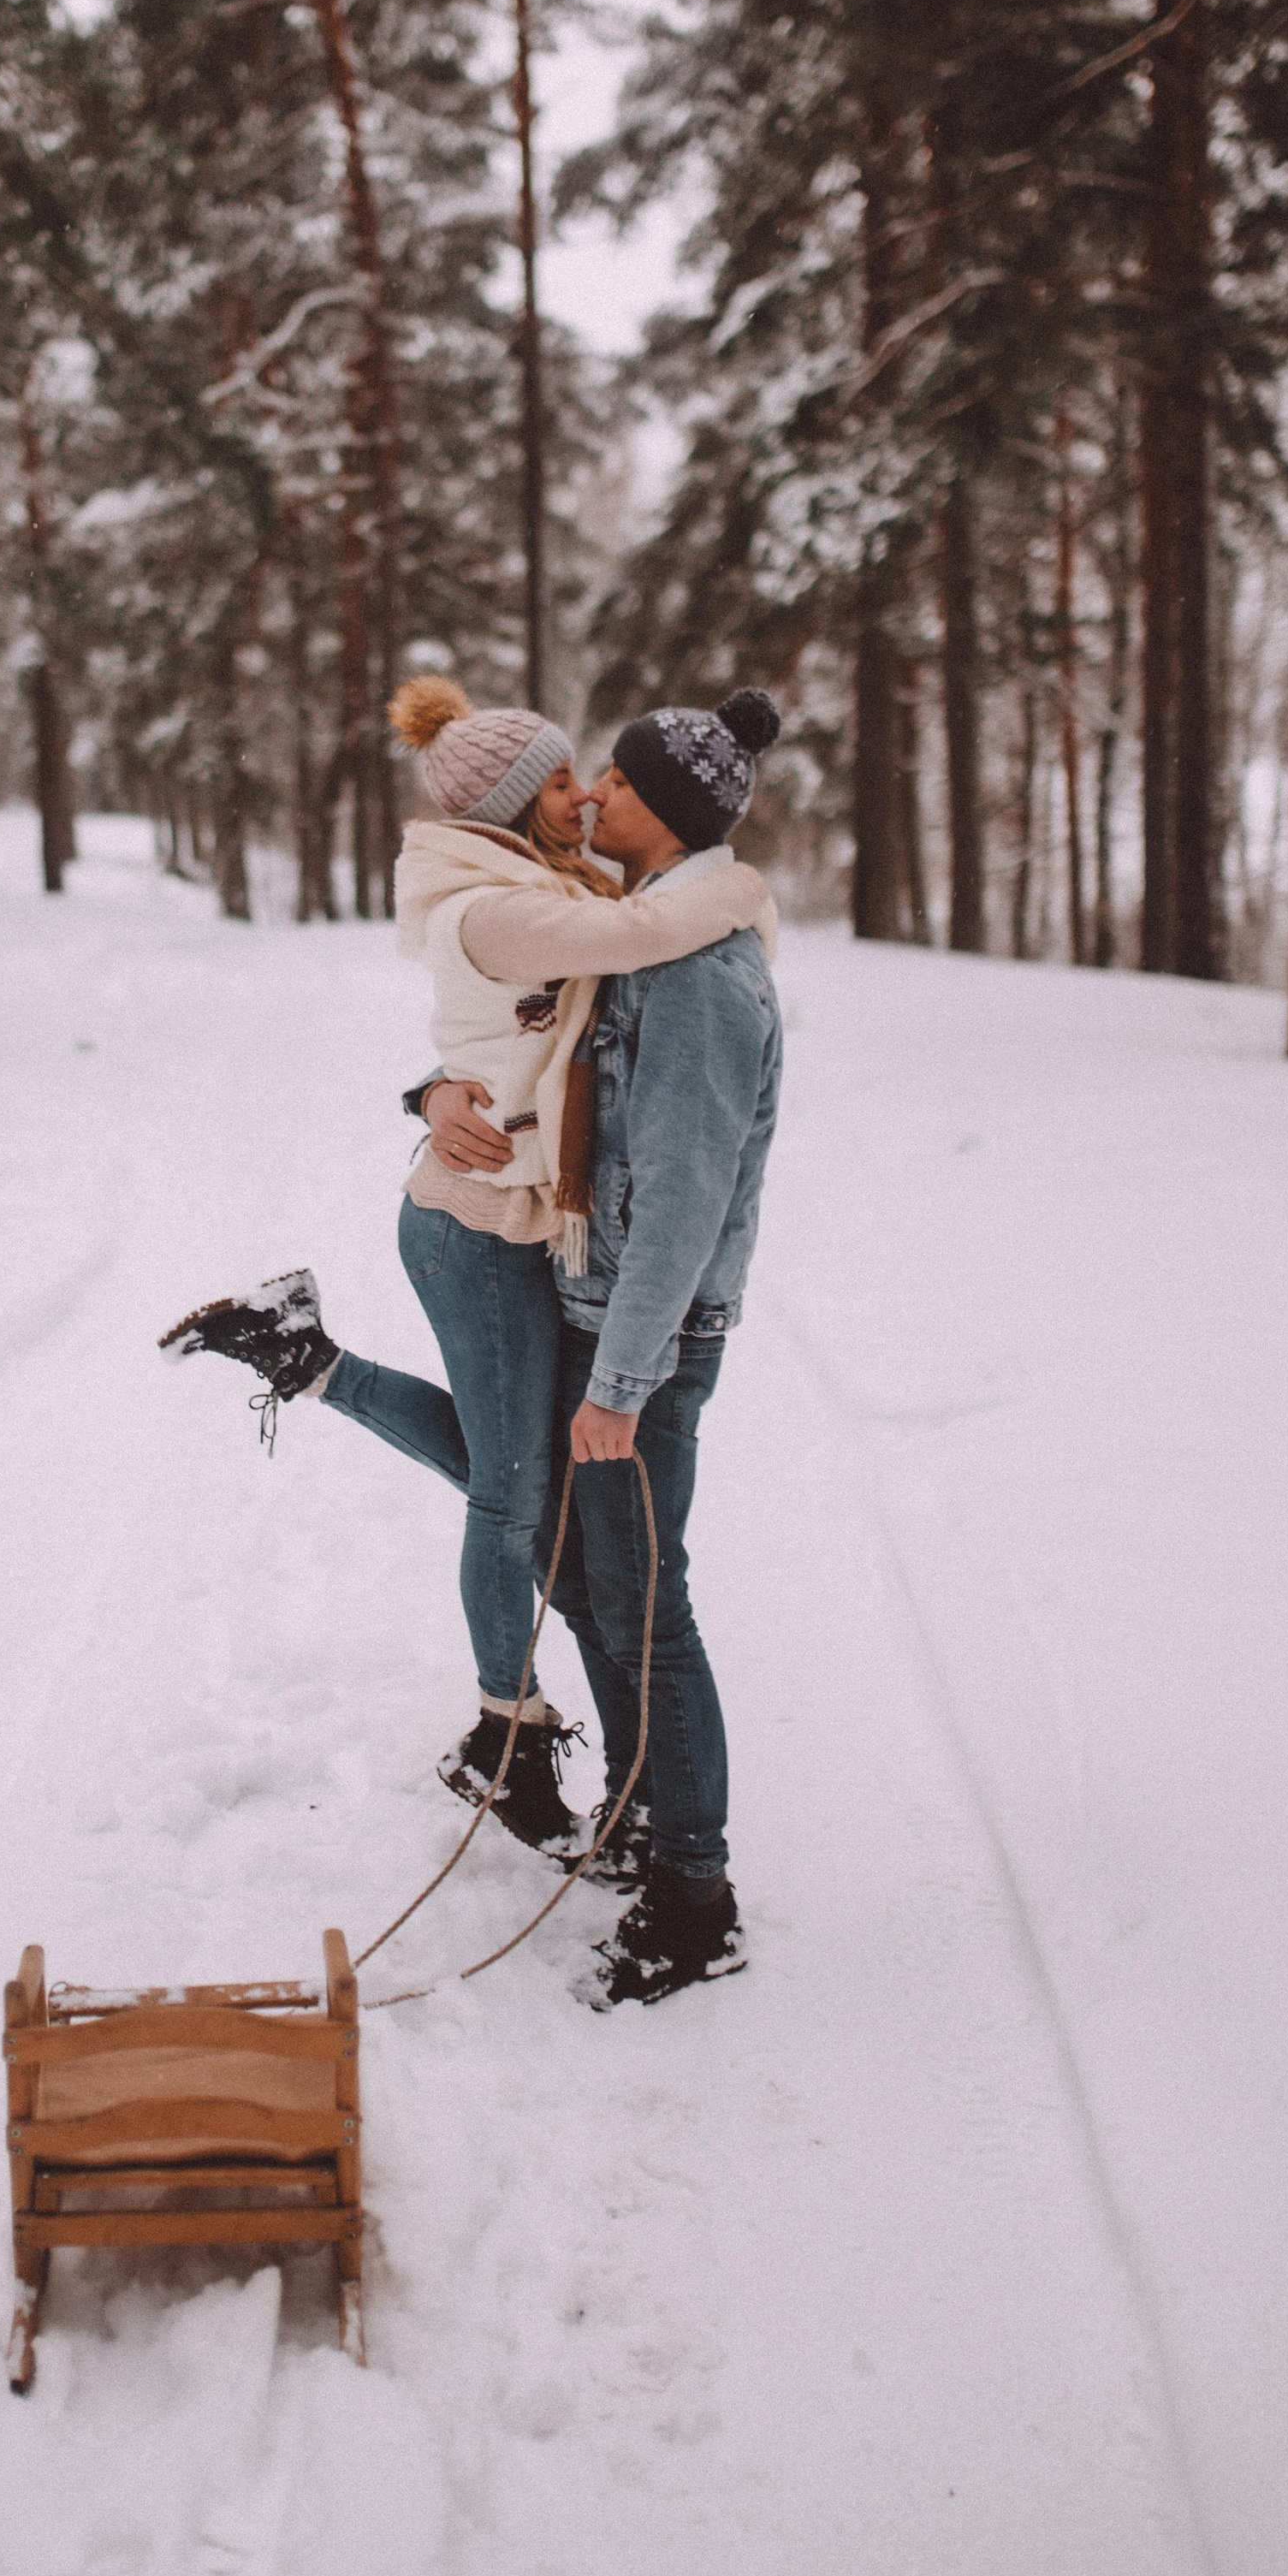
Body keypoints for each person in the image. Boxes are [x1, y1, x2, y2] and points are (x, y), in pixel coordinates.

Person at [160, 674, 775, 1871]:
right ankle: (507, 1729)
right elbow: (630, 945)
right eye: (562, 778)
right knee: (516, 1498)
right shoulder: (507, 904)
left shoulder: (563, 886)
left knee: (541, 1498)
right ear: (508, 805)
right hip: (475, 1228)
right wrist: (738, 883)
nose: (586, 793)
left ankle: (311, 1361)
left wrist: (435, 1086)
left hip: (524, 1229)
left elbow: (549, 1028)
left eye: (599, 776)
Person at [430, 685, 784, 2009]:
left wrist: (624, 1386)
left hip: (648, 1340)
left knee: (648, 1613)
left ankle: (697, 1897)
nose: (596, 801)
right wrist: (435, 1088)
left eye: (620, 785)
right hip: (599, 1314)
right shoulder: (647, 938)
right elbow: (510, 1037)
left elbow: (689, 1194)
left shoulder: (697, 973)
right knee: (599, 1591)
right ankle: (644, 1821)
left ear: (669, 810)